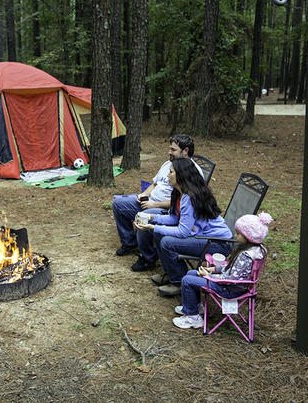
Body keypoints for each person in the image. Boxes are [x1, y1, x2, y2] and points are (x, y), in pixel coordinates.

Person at [134, 158, 233, 296]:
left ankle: (179, 282)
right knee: (160, 234)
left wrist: (153, 227)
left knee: (167, 242)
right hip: (202, 237)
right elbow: (174, 218)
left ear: (180, 175)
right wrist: (152, 218)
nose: (168, 175)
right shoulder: (179, 193)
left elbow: (182, 232)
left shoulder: (190, 197)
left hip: (217, 243)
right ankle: (170, 272)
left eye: (171, 172)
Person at [112, 135, 203, 272]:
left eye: (173, 150)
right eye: (169, 149)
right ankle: (129, 243)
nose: (169, 152)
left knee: (144, 216)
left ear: (185, 151)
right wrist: (144, 195)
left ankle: (148, 258)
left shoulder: (192, 172)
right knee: (118, 204)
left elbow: (182, 203)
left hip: (164, 208)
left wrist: (154, 205)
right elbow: (155, 183)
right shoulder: (168, 164)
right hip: (149, 201)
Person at [172, 212, 273, 329]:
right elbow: (232, 268)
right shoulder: (253, 249)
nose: (235, 236)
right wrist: (213, 269)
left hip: (228, 289)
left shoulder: (246, 255)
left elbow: (231, 279)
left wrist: (209, 276)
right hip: (230, 284)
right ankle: (195, 307)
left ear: (249, 237)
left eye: (239, 234)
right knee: (191, 273)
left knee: (187, 280)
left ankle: (193, 318)